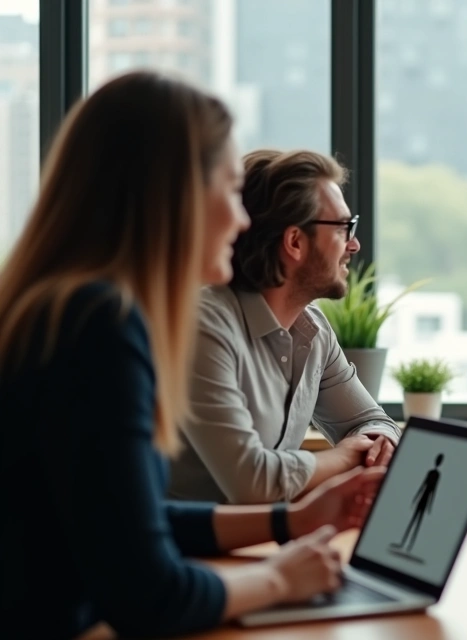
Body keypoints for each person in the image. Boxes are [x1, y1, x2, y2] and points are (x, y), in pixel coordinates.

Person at [0, 71, 385, 639]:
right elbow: (147, 594)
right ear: (174, 199)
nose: (242, 220)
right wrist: (279, 578)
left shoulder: (65, 309)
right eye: (229, 190)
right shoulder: (101, 327)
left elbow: (131, 523)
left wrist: (292, 520)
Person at [168, 149, 400, 504]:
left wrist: (377, 444)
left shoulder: (314, 330)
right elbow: (253, 483)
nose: (354, 244)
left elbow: (372, 422)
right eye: (343, 228)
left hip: (273, 534)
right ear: (294, 242)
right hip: (190, 539)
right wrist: (345, 456)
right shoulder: (204, 327)